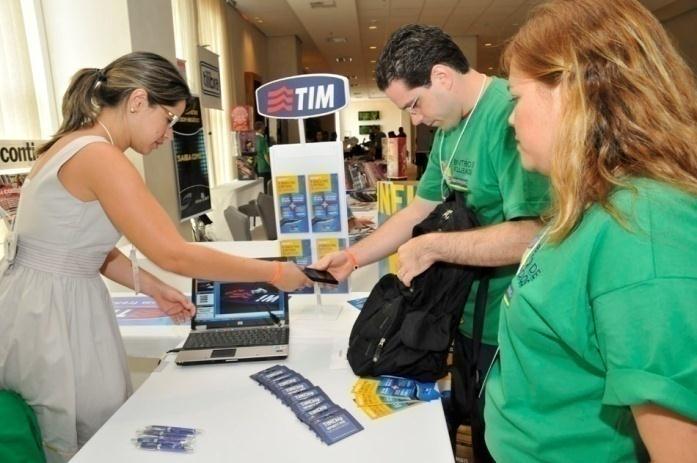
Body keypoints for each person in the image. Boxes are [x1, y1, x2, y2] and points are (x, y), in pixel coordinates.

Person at [0, 51, 310, 462]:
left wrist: (153, 289)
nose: (168, 135)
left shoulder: (73, 145)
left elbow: (82, 247)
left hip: (42, 301)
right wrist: (271, 273)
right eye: (169, 120)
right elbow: (173, 252)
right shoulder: (100, 156)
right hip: (55, 315)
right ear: (137, 101)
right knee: (79, 433)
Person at [312, 24, 549, 461]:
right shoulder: (448, 128)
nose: (415, 120)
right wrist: (354, 256)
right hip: (461, 317)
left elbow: (533, 234)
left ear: (442, 76)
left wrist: (436, 247)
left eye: (414, 105)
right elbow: (418, 211)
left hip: (507, 327)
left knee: (493, 443)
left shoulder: (506, 118)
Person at [484, 1, 697, 461]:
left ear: (572, 92)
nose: (510, 119)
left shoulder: (643, 228)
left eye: (517, 99)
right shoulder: (597, 204)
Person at [254, 120, 271, 193]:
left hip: (258, 167)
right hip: (265, 167)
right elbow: (265, 155)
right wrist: (271, 165)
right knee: (267, 187)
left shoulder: (253, 139)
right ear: (261, 128)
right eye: (263, 127)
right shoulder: (262, 139)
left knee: (261, 187)